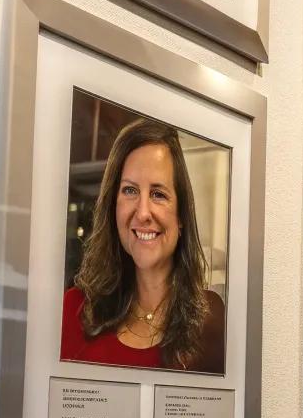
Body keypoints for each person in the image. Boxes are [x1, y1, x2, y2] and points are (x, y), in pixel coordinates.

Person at [61, 116, 225, 373]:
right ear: (112, 205)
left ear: (181, 216)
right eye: (130, 191)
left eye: (158, 194)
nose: (143, 212)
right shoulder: (74, 310)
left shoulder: (211, 320)